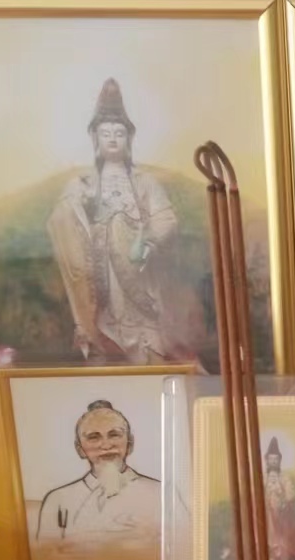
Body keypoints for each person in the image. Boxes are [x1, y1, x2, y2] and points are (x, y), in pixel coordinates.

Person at [47, 79, 193, 364]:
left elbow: (165, 217)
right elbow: (60, 218)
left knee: (149, 338)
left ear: (129, 139)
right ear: (95, 139)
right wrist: (79, 205)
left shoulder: (144, 182)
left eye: (119, 133)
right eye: (106, 134)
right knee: (105, 326)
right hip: (101, 270)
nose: (113, 139)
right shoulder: (84, 183)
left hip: (139, 270)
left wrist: (149, 243)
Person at [35, 400, 161, 542]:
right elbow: (46, 553)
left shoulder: (160, 494)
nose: (106, 445)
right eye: (93, 437)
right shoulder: (58, 499)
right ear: (80, 449)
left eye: (114, 435)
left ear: (130, 443)